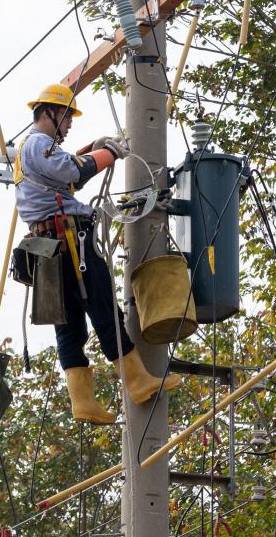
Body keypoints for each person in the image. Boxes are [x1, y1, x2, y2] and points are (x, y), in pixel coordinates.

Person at [13, 83, 182, 424]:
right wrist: (107, 155)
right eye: (66, 116)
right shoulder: (37, 143)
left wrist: (94, 149)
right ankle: (137, 381)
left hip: (50, 248)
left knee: (70, 325)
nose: (70, 124)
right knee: (104, 307)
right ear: (49, 113)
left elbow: (65, 175)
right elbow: (73, 172)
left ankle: (83, 401)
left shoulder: (35, 150)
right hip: (69, 241)